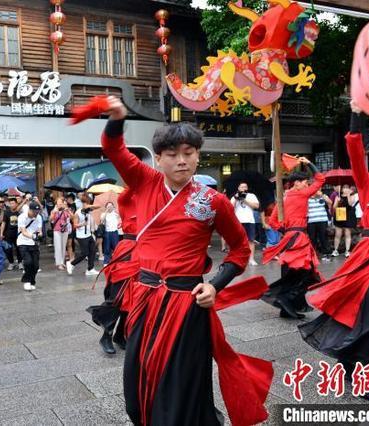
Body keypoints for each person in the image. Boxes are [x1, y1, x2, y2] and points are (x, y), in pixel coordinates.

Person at [99, 96, 271, 425]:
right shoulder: (144, 181)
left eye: (189, 154)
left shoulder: (213, 201)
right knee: (136, 396)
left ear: (197, 156)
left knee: (179, 392)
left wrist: (215, 285)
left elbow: (239, 249)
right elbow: (113, 147)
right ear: (158, 159)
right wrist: (117, 118)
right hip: (145, 301)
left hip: (187, 305)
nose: (182, 161)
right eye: (172, 155)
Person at [299, 109, 369, 395]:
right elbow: (354, 145)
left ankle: (348, 365)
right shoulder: (368, 182)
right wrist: (356, 116)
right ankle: (361, 377)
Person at [261, 162, 326, 319]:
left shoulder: (283, 199)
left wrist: (286, 230)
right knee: (305, 272)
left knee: (291, 272)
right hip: (299, 238)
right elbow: (320, 179)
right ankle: (285, 299)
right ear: (297, 183)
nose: (306, 185)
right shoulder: (302, 194)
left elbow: (272, 222)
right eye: (304, 182)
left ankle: (286, 309)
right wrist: (309, 163)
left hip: (290, 238)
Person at [87, 188, 137, 355]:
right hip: (128, 250)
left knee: (134, 299)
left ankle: (120, 335)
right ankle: (107, 336)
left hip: (146, 252)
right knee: (118, 296)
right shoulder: (127, 199)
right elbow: (127, 194)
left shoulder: (155, 202)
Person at [66, 194, 99, 276]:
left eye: (88, 203)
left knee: (93, 251)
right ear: (82, 203)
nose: (87, 205)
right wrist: (83, 224)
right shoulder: (78, 213)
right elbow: (75, 225)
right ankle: (71, 264)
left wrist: (89, 206)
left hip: (88, 234)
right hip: (81, 236)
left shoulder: (88, 210)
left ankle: (90, 269)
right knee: (84, 253)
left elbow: (98, 206)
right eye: (85, 203)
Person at [231, 182, 260, 266]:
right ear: (238, 188)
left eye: (245, 187)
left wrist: (244, 200)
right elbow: (229, 208)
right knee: (238, 241)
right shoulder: (235, 196)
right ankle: (239, 258)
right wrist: (236, 200)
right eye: (242, 187)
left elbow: (256, 206)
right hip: (238, 221)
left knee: (251, 240)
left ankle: (251, 259)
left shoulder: (251, 196)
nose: (243, 188)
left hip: (249, 220)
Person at [17, 202, 43, 291]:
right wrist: (32, 236)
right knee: (28, 262)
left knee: (35, 265)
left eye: (37, 212)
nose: (36, 214)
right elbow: (23, 232)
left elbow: (39, 230)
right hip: (23, 242)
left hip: (34, 243)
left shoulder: (39, 217)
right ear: (30, 210)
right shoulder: (22, 217)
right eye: (34, 212)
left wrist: (39, 235)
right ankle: (26, 281)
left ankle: (32, 281)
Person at [332, 184, 357, 257]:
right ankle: (335, 250)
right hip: (339, 215)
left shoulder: (352, 196)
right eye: (344, 187)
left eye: (347, 187)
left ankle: (347, 250)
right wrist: (337, 201)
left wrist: (348, 195)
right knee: (338, 234)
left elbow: (350, 204)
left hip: (348, 216)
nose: (345, 189)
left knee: (347, 233)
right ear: (342, 189)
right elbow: (334, 208)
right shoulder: (338, 196)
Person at [307, 190, 332, 261]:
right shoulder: (307, 198)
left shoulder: (323, 196)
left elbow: (330, 203)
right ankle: (313, 254)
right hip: (311, 221)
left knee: (323, 237)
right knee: (312, 238)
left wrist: (323, 197)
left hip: (322, 220)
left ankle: (326, 254)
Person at [50, 197, 72, 271]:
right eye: (58, 203)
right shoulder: (54, 210)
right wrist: (54, 212)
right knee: (58, 246)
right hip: (57, 230)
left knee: (63, 246)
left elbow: (72, 217)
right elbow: (50, 219)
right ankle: (59, 263)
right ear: (56, 204)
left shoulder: (65, 210)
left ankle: (62, 262)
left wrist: (68, 209)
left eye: (61, 203)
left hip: (64, 230)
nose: (59, 204)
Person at [2, 197, 21, 271]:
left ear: (16, 204)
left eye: (13, 203)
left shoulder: (18, 212)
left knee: (19, 248)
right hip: (8, 234)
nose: (12, 205)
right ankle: (11, 263)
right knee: (8, 249)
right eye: (10, 203)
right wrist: (1, 233)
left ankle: (20, 262)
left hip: (17, 234)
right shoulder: (6, 212)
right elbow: (3, 223)